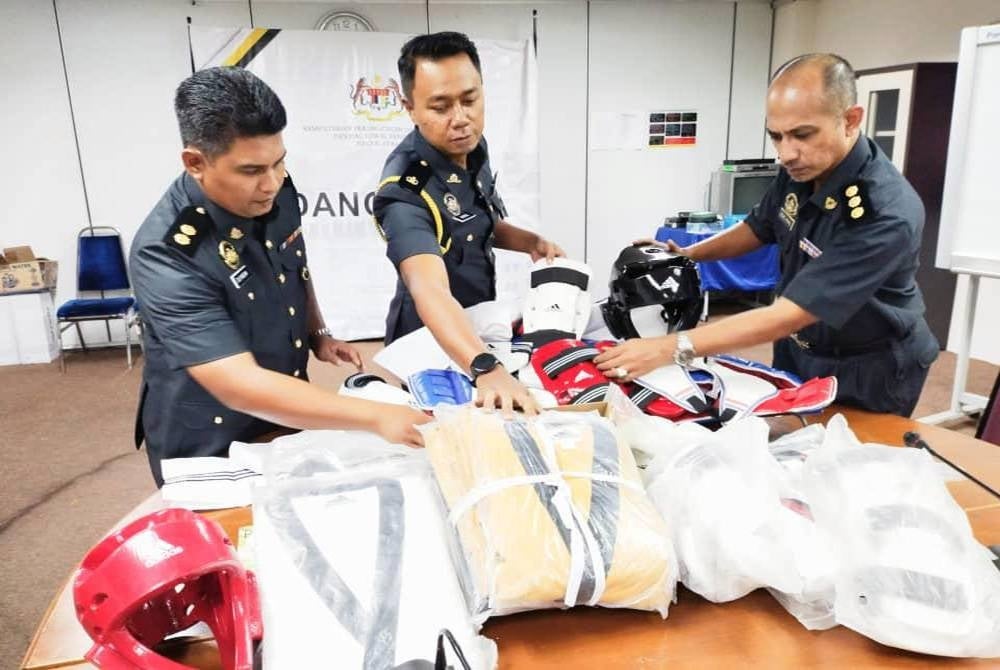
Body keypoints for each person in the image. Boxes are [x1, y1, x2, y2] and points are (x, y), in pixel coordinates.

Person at [595, 53, 939, 417]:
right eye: (776, 136)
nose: (786, 153)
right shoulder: (801, 169)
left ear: (850, 120)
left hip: (867, 365)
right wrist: (688, 253)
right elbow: (758, 227)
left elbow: (790, 314)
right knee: (793, 436)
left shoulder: (882, 211)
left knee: (853, 447)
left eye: (802, 135)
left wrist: (669, 348)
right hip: (798, 348)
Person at [130, 66, 429, 485]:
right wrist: (377, 415)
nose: (271, 183)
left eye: (279, 162)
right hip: (210, 440)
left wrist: (317, 332)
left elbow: (293, 265)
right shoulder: (168, 253)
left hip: (286, 410)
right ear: (196, 162)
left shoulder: (278, 190)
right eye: (251, 170)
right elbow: (238, 384)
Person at [373, 32, 565, 415]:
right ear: (409, 108)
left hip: (480, 324)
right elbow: (429, 288)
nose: (460, 119)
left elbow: (476, 222)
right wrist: (484, 367)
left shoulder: (473, 148)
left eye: (470, 100)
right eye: (440, 107)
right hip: (429, 342)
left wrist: (530, 242)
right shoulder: (405, 191)